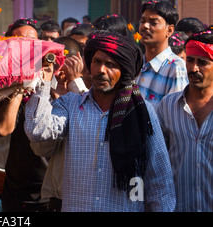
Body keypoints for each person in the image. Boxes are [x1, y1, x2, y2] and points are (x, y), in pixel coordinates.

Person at [24, 31, 176, 211]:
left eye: (110, 64)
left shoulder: (141, 112)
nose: (101, 70)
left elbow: (159, 180)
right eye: (97, 62)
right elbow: (37, 130)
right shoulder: (71, 104)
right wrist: (45, 81)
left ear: (124, 71)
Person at [0, 18, 50, 212]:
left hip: (43, 189)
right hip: (1, 183)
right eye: (18, 40)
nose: (25, 46)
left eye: (31, 41)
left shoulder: (50, 80)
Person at [156, 28, 213, 212]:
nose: (194, 68)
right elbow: (156, 162)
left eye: (203, 62)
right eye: (190, 60)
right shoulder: (167, 106)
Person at [29, 35, 86, 212]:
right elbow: (41, 148)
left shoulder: (93, 94)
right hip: (58, 198)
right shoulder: (48, 97)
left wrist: (75, 85)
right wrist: (56, 100)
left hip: (86, 195)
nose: (60, 76)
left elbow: (92, 123)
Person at [137, 0, 188, 106]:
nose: (145, 26)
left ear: (169, 30)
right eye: (142, 21)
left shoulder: (175, 67)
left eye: (153, 22)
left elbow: (175, 116)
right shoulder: (136, 63)